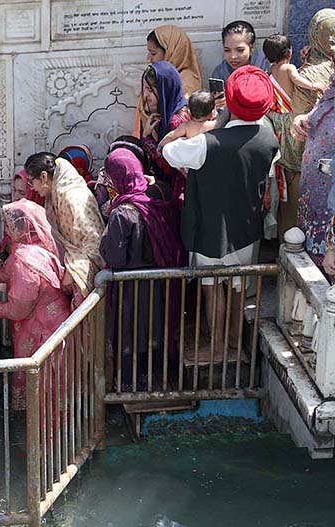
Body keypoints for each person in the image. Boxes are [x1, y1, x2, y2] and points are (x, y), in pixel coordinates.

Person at [163, 66, 278, 353]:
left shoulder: (207, 143)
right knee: (239, 285)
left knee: (212, 285)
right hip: (246, 228)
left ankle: (216, 346)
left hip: (210, 226)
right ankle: (236, 341)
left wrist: (212, 124)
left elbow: (168, 151)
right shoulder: (269, 139)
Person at [0, 200, 71, 409]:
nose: (7, 230)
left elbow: (18, 309)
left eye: (10, 225)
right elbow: (7, 273)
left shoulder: (24, 260)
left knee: (44, 386)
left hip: (43, 328)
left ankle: (44, 430)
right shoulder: (38, 245)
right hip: (55, 319)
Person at [99, 148, 184, 389]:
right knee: (156, 330)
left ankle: (130, 386)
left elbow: (114, 255)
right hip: (159, 283)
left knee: (130, 335)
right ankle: (159, 381)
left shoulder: (122, 213)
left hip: (129, 287)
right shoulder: (157, 197)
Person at [271, 9, 335, 236]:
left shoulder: (306, 75)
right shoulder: (329, 68)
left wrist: (290, 161)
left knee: (295, 231)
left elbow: (296, 122)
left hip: (303, 165)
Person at [24, 152, 104, 308]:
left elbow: (93, 240)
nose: (31, 188)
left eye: (31, 182)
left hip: (83, 270)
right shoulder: (54, 195)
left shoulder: (72, 196)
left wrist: (71, 270)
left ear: (44, 176)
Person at [295, 66, 335, 265]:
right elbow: (317, 115)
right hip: (313, 199)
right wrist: (301, 120)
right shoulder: (330, 92)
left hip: (331, 205)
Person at [136, 62, 190, 197]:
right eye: (144, 88)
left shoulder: (177, 122)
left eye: (150, 90)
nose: (145, 95)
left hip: (181, 192)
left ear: (164, 90)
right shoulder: (163, 113)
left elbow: (173, 167)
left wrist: (147, 140)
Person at [263, 33, 328, 112]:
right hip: (291, 107)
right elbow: (296, 79)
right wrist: (312, 86)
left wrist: (304, 64)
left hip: (280, 108)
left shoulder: (272, 69)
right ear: (290, 53)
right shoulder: (289, 68)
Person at [145, 26, 202, 97]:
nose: (148, 58)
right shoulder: (159, 75)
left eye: (153, 53)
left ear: (171, 53)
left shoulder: (186, 84)